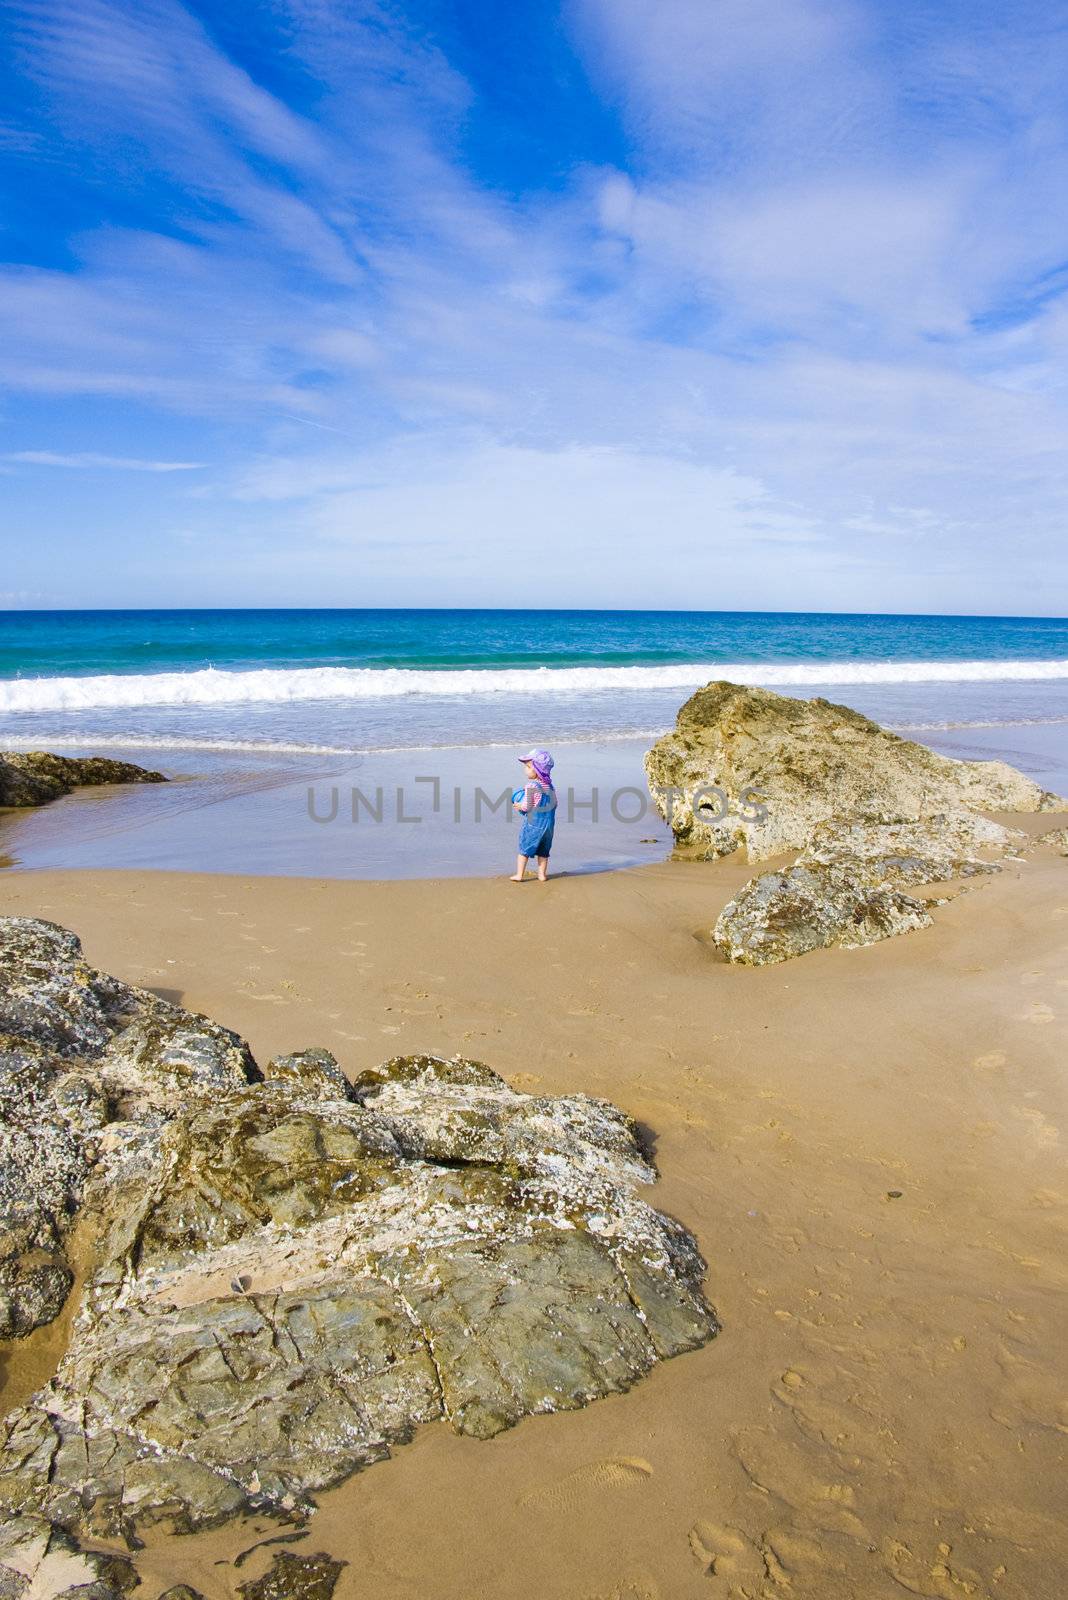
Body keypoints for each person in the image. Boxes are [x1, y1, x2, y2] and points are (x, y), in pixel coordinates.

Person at [510, 747, 556, 882]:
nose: (525, 769)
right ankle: (542, 875)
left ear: (537, 770)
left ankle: (519, 875)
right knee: (543, 851)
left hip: (533, 824)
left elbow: (526, 806)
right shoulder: (550, 786)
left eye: (528, 767)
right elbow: (555, 804)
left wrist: (519, 805)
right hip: (549, 825)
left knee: (524, 848)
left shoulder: (532, 786)